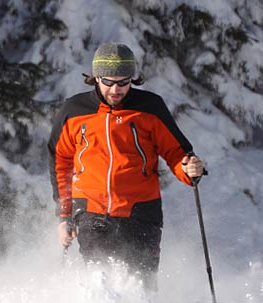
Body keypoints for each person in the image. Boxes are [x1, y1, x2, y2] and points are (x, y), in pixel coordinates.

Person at [48, 42, 206, 289]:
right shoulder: (74, 111)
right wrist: (64, 215)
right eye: (108, 82)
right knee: (100, 283)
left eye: (123, 82)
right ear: (96, 78)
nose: (116, 89)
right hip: (92, 211)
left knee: (141, 286)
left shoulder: (149, 108)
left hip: (141, 212)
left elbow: (177, 151)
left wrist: (188, 168)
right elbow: (60, 162)